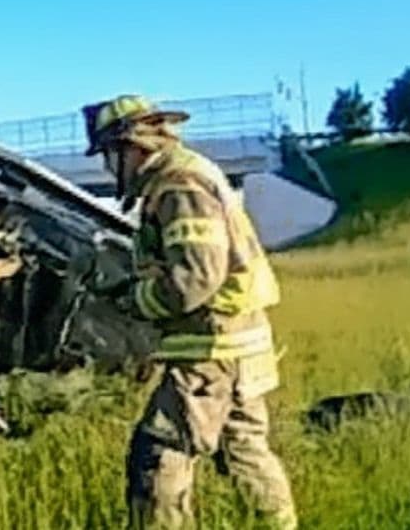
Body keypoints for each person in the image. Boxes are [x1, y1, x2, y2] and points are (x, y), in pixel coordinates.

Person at [77, 95, 297, 529]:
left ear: (131, 146)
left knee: (160, 453)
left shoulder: (178, 185)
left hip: (211, 351)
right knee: (245, 453)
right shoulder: (191, 173)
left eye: (107, 155)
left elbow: (195, 278)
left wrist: (132, 300)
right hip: (240, 345)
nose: (106, 166)